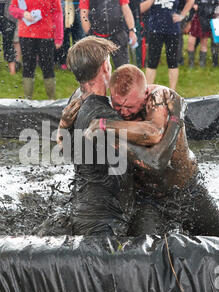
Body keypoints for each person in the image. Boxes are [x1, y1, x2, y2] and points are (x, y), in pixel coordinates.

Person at [48, 36, 184, 237]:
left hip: (81, 206)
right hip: (105, 220)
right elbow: (154, 162)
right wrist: (176, 119)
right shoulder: (106, 120)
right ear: (105, 66)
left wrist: (62, 126)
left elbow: (65, 151)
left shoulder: (76, 98)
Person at [90, 64, 219, 236]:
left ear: (145, 94)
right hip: (149, 199)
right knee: (143, 250)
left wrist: (105, 125)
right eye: (118, 105)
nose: (124, 113)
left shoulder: (160, 97)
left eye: (130, 107)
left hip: (188, 190)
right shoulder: (110, 107)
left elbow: (153, 133)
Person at [9, 0, 64, 100]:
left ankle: (51, 100)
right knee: (28, 67)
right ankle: (28, 100)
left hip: (46, 34)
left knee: (48, 67)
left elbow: (57, 13)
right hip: (26, 34)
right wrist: (23, 13)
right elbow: (12, 9)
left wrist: (59, 37)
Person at [140, 0, 194, 91]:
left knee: (173, 63)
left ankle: (172, 92)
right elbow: (141, 8)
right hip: (155, 29)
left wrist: (182, 15)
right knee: (152, 62)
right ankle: (148, 92)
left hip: (172, 30)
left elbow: (191, 1)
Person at [79, 0, 138, 68]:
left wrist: (132, 30)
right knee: (96, 70)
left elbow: (126, 10)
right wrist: (90, 35)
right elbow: (84, 15)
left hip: (117, 34)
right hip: (97, 37)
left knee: (123, 69)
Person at [187, 0, 218, 68]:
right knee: (190, 42)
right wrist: (189, 21)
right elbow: (191, 7)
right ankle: (191, 64)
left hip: (206, 21)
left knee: (204, 43)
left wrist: (200, 7)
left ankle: (202, 64)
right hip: (195, 20)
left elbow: (214, 8)